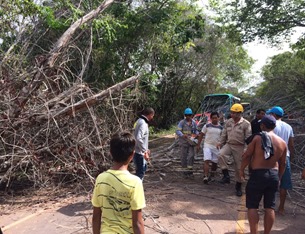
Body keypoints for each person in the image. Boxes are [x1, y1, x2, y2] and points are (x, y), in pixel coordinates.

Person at [240, 115, 287, 234]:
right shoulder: (282, 143)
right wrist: (279, 177)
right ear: (274, 126)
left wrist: (241, 170)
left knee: (252, 206)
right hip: (273, 175)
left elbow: (246, 155)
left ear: (262, 126)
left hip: (258, 174)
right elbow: (283, 164)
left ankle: (254, 232)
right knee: (269, 207)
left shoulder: (257, 138)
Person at [92, 132, 145, 234]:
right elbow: (137, 223)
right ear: (132, 155)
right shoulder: (135, 182)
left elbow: (96, 216)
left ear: (110, 152)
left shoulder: (100, 178)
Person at [217, 103, 252, 196]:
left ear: (240, 113)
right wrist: (220, 142)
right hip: (229, 144)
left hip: (240, 146)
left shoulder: (246, 124)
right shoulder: (228, 122)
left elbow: (248, 138)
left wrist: (246, 149)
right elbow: (224, 134)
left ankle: (238, 186)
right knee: (221, 155)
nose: (232, 114)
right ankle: (226, 175)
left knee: (239, 167)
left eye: (235, 113)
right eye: (232, 112)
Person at [267, 106, 294, 215]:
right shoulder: (289, 127)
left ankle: (269, 207)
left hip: (272, 156)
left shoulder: (271, 125)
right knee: (284, 183)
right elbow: (291, 144)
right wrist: (290, 157)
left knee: (269, 182)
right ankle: (281, 208)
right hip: (285, 156)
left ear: (273, 115)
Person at [196, 111, 223, 184]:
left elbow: (222, 138)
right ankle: (205, 176)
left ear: (218, 118)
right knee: (206, 160)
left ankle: (212, 176)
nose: (215, 119)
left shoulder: (221, 128)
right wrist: (198, 145)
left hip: (216, 147)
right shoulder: (206, 126)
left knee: (215, 162)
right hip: (207, 145)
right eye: (213, 118)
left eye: (216, 118)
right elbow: (201, 135)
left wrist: (221, 145)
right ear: (211, 119)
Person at [176, 107, 199, 178]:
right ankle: (184, 171)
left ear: (192, 115)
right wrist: (183, 135)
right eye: (187, 115)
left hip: (191, 142)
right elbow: (178, 131)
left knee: (191, 156)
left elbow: (196, 131)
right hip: (183, 142)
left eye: (189, 115)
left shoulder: (194, 123)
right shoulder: (182, 122)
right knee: (183, 156)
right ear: (185, 115)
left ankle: (190, 170)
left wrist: (196, 134)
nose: (188, 117)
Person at [134, 107, 155, 180]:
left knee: (140, 171)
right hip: (140, 153)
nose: (152, 117)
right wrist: (144, 151)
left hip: (137, 151)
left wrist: (146, 149)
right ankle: (137, 190)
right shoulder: (143, 123)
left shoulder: (138, 121)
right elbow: (138, 138)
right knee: (140, 173)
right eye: (152, 115)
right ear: (150, 114)